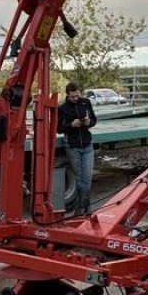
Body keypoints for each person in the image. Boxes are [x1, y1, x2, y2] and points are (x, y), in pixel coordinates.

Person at [57, 82, 97, 215]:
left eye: (77, 95)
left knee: (87, 178)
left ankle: (81, 208)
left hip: (87, 144)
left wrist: (88, 122)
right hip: (72, 146)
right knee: (80, 179)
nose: (75, 98)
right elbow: (59, 128)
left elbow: (94, 120)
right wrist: (71, 125)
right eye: (73, 96)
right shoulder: (62, 108)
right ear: (67, 95)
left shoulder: (85, 102)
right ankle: (85, 208)